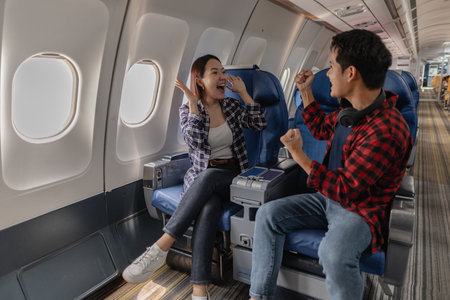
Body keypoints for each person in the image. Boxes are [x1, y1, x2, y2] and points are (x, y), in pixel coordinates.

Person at [249, 29, 412, 300]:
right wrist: (305, 90)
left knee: (332, 253)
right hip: (328, 199)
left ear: (351, 73)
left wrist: (298, 156)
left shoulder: (386, 129)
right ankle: (259, 296)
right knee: (268, 215)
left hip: (360, 211)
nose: (327, 73)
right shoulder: (351, 111)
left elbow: (347, 190)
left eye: (331, 66)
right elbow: (321, 126)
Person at [122, 54, 267, 300]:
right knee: (208, 208)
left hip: (231, 175)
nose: (222, 77)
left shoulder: (231, 106)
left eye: (223, 71)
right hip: (201, 176)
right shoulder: (188, 109)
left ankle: (160, 247)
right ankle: (200, 291)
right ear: (199, 81)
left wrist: (243, 93)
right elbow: (196, 143)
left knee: (210, 179)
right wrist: (192, 105)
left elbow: (259, 123)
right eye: (215, 72)